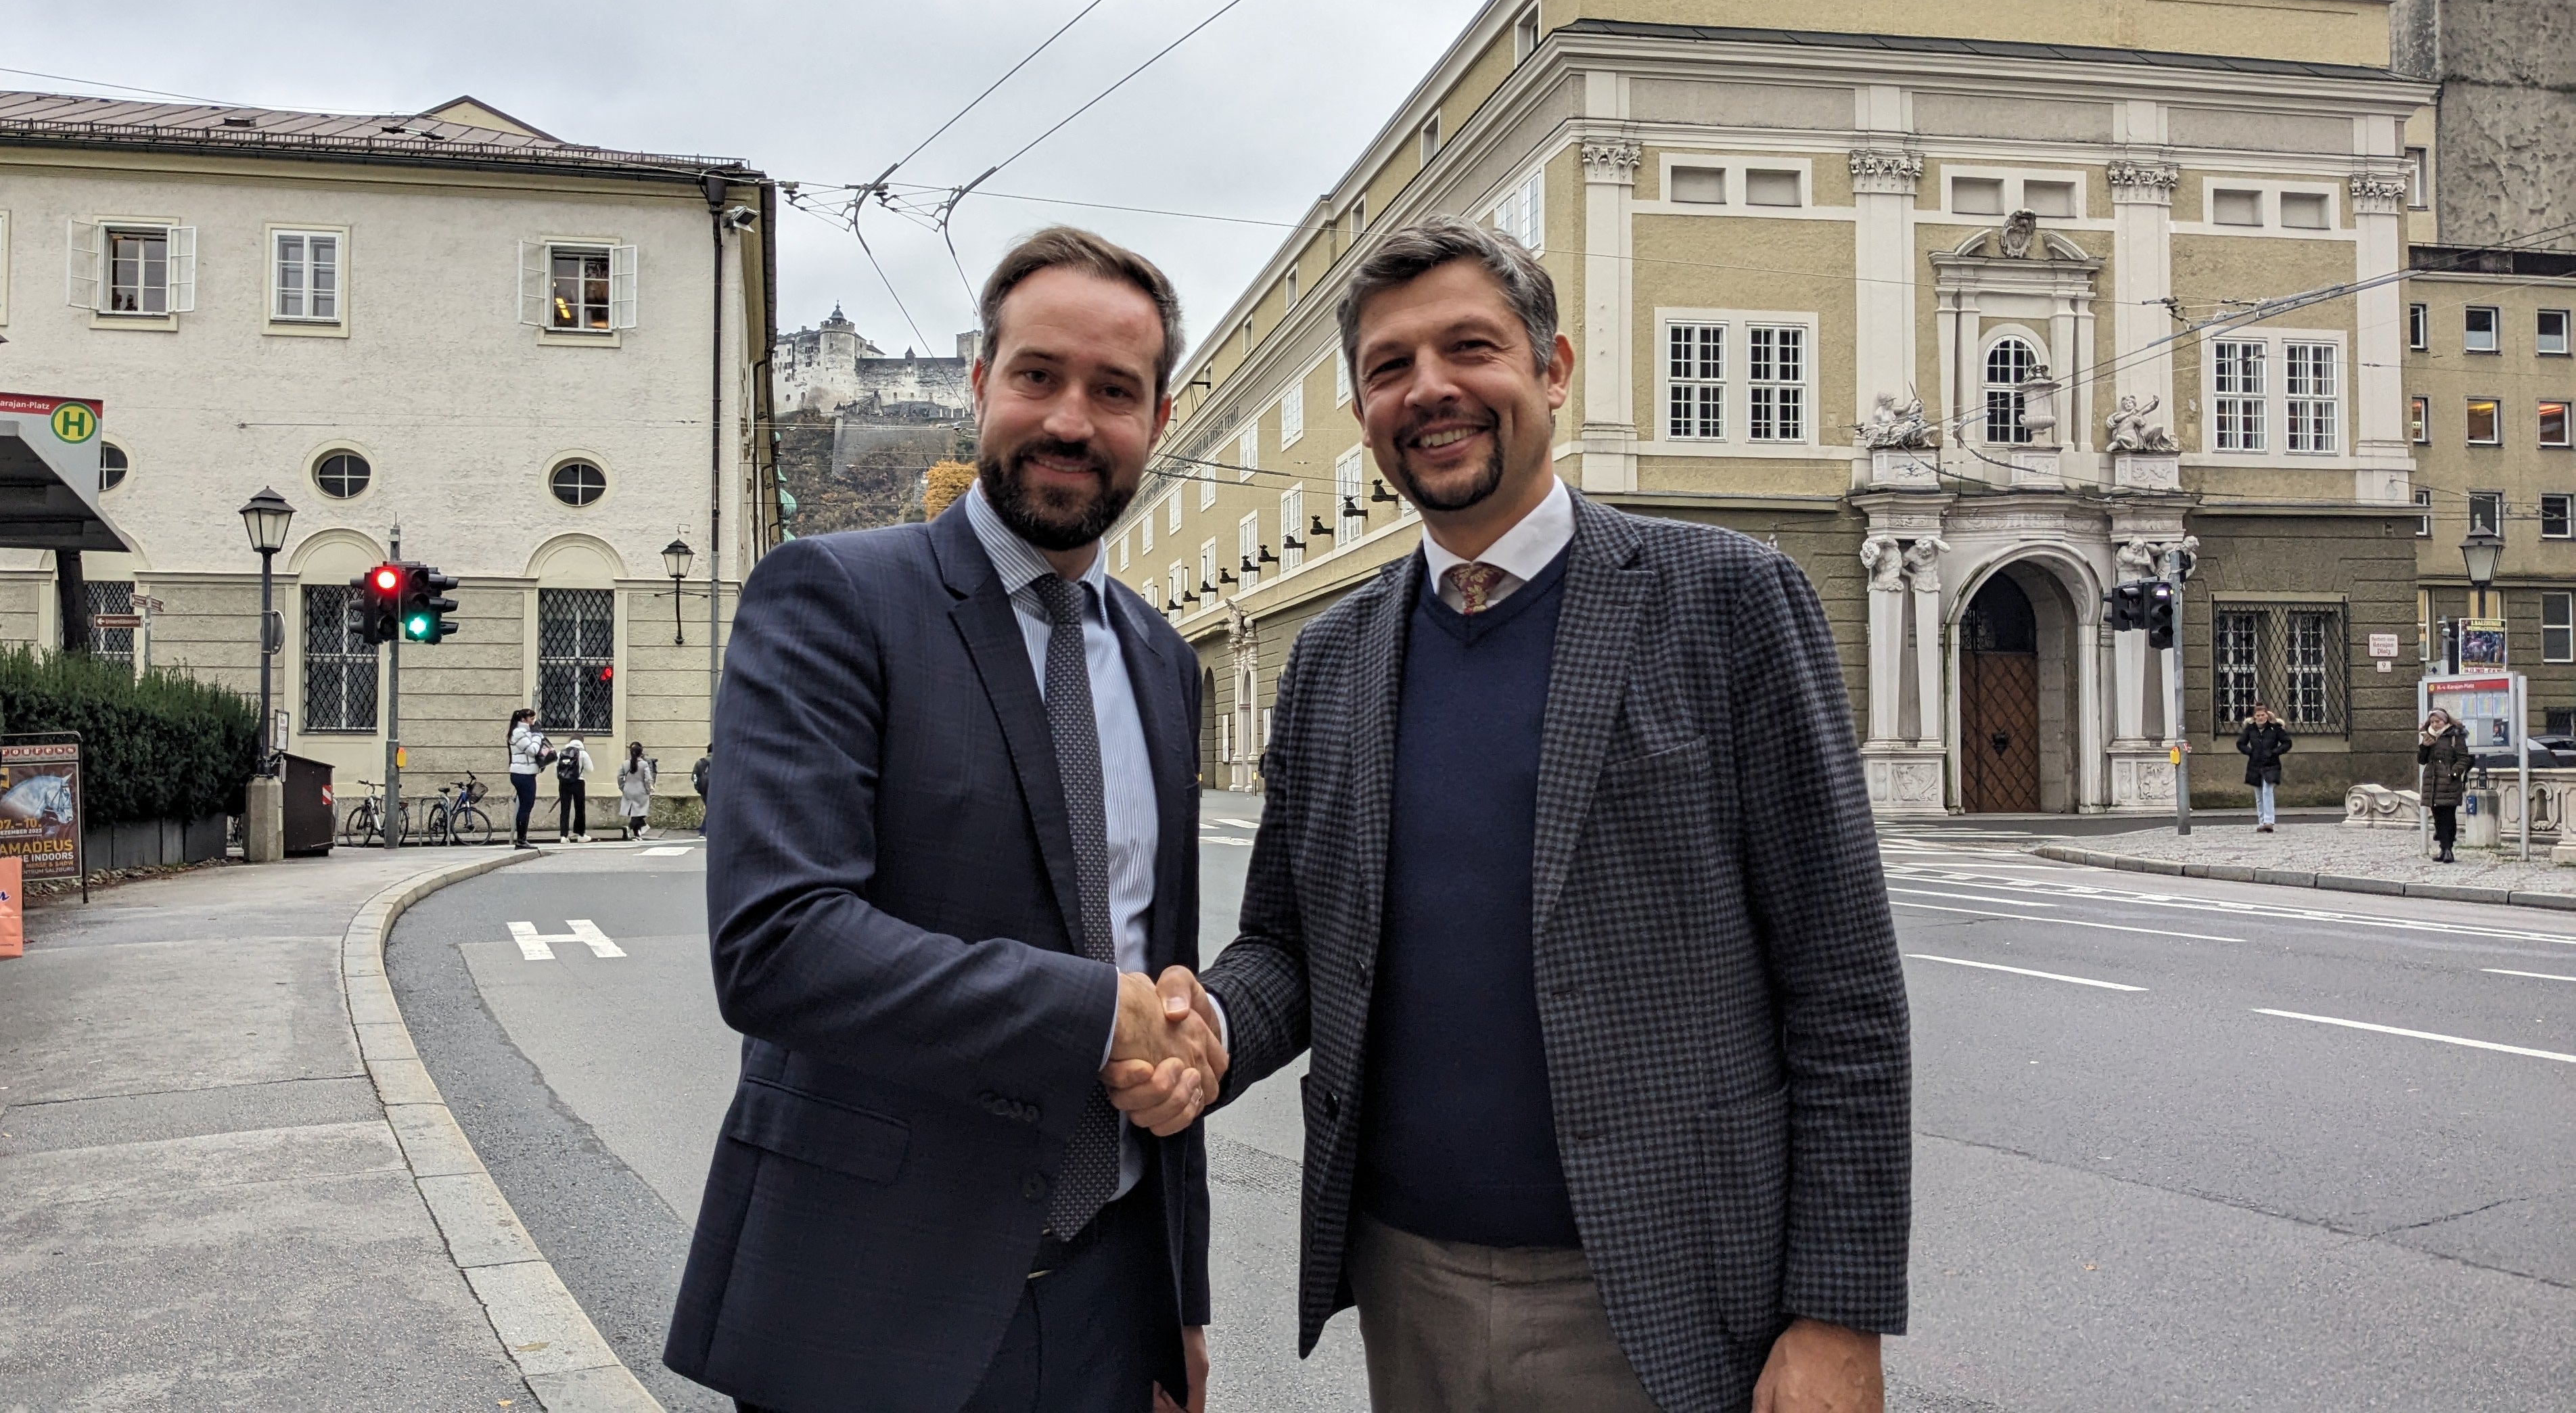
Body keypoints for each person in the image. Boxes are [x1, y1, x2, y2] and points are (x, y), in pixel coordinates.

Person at [1158, 217, 1911, 1412]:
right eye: (1389, 367)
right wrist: (1204, 1029)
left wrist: (1839, 1308)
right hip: (1406, 1280)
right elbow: (1289, 946)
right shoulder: (1335, 656)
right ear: (1363, 413)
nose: (1430, 389)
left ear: (1552, 370)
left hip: (1662, 1288)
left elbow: (1845, 985)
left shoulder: (1727, 599)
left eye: (1471, 346)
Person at [666, 227, 1219, 1413]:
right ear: (978, 387)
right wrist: (1090, 1011)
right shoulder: (833, 596)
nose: (1071, 419)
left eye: (1113, 390)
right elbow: (778, 943)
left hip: (1107, 1307)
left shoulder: (1169, 664)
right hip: (867, 1305)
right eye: (1038, 376)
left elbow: (1154, 979)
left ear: (1157, 420)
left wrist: (1180, 1304)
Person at [2420, 708, 2471, 862]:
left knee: (2448, 816)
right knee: (2437, 818)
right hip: (2433, 782)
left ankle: (2449, 849)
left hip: (2449, 781)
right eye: (2433, 722)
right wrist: (2424, 746)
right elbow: (2422, 760)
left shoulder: (2455, 736)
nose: (2435, 725)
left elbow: (2464, 758)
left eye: (2438, 721)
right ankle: (2443, 848)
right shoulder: (2428, 735)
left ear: (2446, 721)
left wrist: (2454, 773)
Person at [2237, 703, 2293, 833]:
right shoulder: (2250, 730)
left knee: (2267, 791)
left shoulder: (2275, 729)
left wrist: (2275, 752)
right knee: (2258, 794)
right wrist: (2250, 752)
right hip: (2255, 765)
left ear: (2267, 716)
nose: (2261, 718)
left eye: (2263, 715)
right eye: (2258, 716)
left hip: (2271, 764)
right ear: (2254, 717)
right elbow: (2240, 744)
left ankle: (2269, 821)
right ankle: (2262, 821)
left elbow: (2287, 743)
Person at [506, 708, 547, 850]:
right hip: (523, 774)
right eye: (531, 719)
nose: (534, 722)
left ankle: (522, 839)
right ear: (523, 720)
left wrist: (536, 734)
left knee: (526, 806)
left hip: (526, 773)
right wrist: (536, 734)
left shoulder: (523, 732)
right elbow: (532, 750)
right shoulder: (519, 733)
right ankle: (521, 840)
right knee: (525, 807)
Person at [616, 743, 657, 841]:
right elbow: (647, 779)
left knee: (635, 813)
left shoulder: (625, 763)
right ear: (641, 753)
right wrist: (648, 790)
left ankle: (637, 834)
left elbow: (619, 777)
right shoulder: (644, 764)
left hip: (628, 790)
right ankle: (629, 828)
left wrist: (623, 787)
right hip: (641, 790)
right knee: (640, 813)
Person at [556, 737, 591, 843]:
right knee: (580, 808)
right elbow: (590, 769)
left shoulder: (560, 753)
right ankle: (580, 834)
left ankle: (563, 835)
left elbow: (556, 770)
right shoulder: (583, 754)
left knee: (564, 809)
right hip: (578, 782)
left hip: (563, 783)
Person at [691, 746, 712, 831]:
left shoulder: (699, 762)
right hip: (715, 790)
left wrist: (697, 787)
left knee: (710, 809)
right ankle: (703, 831)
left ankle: (706, 830)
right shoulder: (719, 762)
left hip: (703, 790)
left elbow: (694, 777)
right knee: (711, 810)